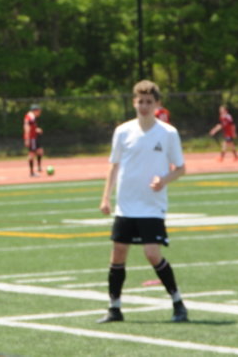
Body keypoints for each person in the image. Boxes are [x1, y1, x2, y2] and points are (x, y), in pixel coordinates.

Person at [97, 80, 188, 324]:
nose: (144, 106)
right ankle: (114, 308)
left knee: (152, 254)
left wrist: (164, 180)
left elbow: (181, 168)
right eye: (140, 102)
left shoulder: (168, 133)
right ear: (134, 103)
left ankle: (178, 303)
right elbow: (114, 165)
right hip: (126, 204)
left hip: (152, 205)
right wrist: (106, 197)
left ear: (157, 104)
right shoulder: (123, 131)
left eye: (149, 102)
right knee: (118, 254)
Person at [23, 104, 44, 177]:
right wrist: (27, 138)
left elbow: (31, 127)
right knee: (32, 154)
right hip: (31, 138)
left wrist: (36, 130)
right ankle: (32, 173)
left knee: (40, 151)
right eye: (39, 110)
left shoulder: (32, 116)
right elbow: (27, 126)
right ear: (35, 110)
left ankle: (39, 168)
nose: (40, 112)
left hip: (34, 137)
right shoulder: (30, 116)